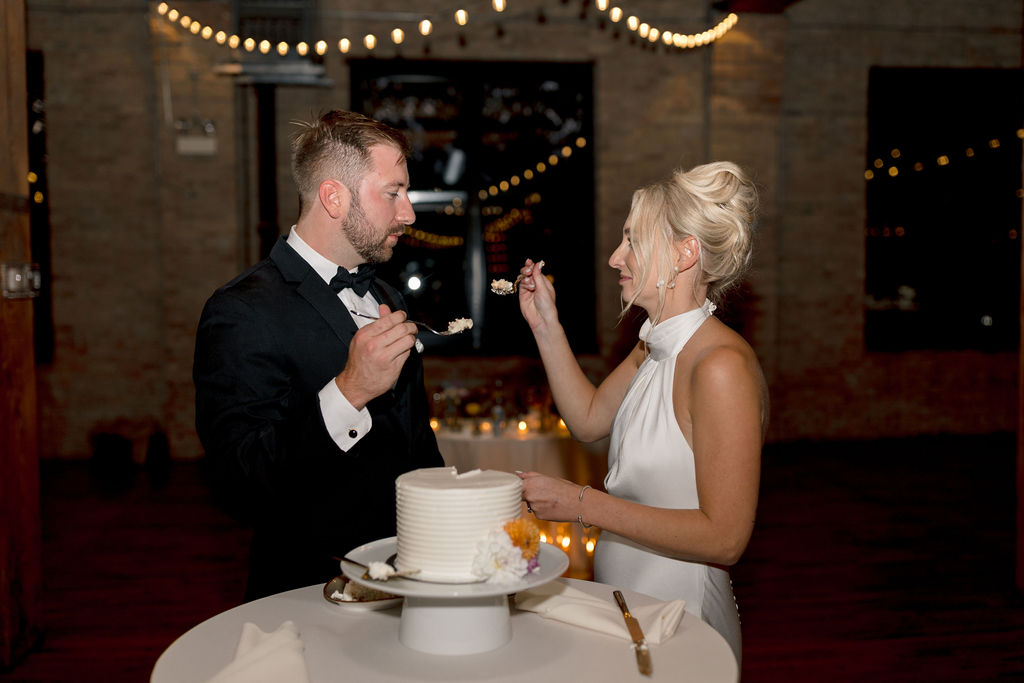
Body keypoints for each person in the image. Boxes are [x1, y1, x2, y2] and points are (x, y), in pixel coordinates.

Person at [515, 161, 768, 664]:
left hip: (682, 621)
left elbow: (726, 538)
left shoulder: (719, 366)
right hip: (627, 606)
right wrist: (547, 326)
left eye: (632, 241)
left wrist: (582, 503)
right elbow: (588, 420)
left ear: (685, 252)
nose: (615, 258)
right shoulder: (652, 345)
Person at [193, 110, 443, 601]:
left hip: (414, 577)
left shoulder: (388, 296)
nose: (409, 212)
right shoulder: (240, 310)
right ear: (334, 197)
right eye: (393, 193)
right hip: (306, 589)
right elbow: (237, 483)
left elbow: (415, 444)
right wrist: (349, 392)